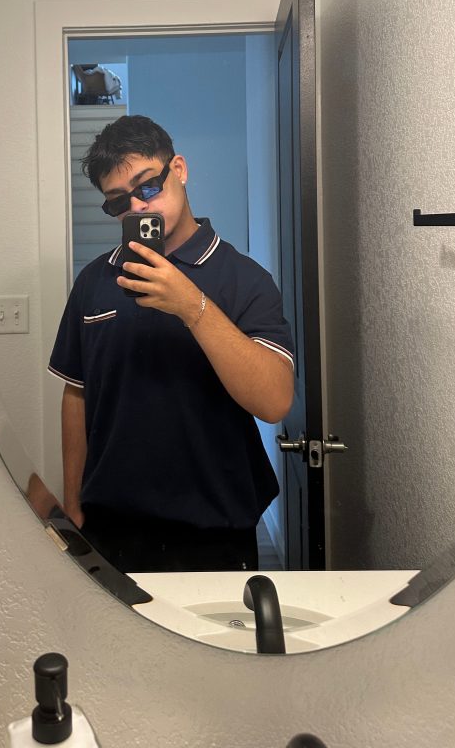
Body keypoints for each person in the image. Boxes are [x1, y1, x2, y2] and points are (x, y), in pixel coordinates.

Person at [48, 115, 294, 573]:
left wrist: (192, 306)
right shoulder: (95, 281)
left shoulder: (245, 279)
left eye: (147, 186)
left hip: (215, 528)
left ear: (178, 170)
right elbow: (76, 392)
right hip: (110, 524)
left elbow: (275, 401)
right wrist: (72, 501)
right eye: (118, 201)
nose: (137, 208)